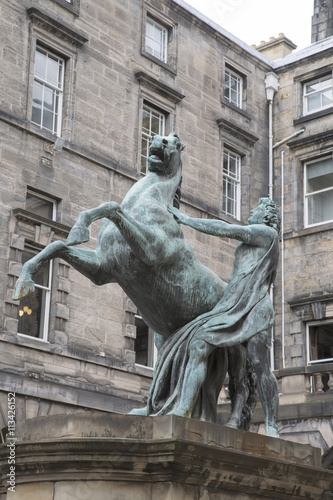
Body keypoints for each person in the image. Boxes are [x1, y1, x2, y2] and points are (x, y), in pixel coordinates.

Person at [166, 197, 281, 437]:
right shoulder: (255, 237)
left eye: (257, 208)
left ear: (267, 217)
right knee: (198, 342)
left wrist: (186, 219)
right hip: (232, 306)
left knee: (259, 365)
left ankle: (270, 424)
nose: (252, 210)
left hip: (256, 307)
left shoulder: (266, 233)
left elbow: (226, 229)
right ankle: (183, 408)